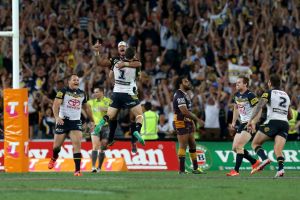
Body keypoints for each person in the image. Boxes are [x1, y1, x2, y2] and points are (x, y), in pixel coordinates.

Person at [92, 43, 145, 146]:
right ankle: (137, 131)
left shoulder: (115, 61)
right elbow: (139, 71)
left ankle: (102, 125)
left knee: (110, 116)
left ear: (126, 49)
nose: (121, 48)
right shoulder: (135, 61)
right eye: (119, 46)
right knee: (139, 115)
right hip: (129, 93)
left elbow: (101, 63)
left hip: (116, 93)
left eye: (123, 46)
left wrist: (96, 52)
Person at [48, 74, 94, 176]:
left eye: (77, 80)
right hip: (63, 121)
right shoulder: (63, 91)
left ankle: (77, 171)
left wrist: (92, 121)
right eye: (74, 80)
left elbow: (87, 108)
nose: (76, 81)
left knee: (77, 146)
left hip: (75, 122)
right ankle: (54, 157)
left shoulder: (82, 94)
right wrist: (57, 118)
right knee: (56, 147)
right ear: (69, 82)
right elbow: (55, 105)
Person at [247, 74, 292, 178]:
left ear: (270, 83)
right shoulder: (286, 95)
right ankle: (281, 169)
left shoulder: (268, 93)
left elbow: (259, 105)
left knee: (255, 143)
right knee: (278, 150)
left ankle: (264, 159)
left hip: (273, 122)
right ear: (280, 84)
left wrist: (251, 120)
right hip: (285, 124)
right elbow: (290, 115)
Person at [226, 76, 260, 176]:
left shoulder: (251, 95)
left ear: (245, 84)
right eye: (236, 82)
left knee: (239, 146)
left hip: (249, 124)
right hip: (242, 123)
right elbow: (236, 109)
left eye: (239, 82)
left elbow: (258, 110)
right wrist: (233, 122)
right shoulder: (236, 95)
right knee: (234, 148)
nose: (237, 84)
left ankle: (235, 171)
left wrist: (253, 122)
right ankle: (254, 162)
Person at [173, 76, 205, 174]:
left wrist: (192, 122)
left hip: (188, 121)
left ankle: (195, 168)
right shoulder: (179, 95)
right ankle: (181, 170)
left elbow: (188, 111)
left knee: (192, 144)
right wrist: (197, 119)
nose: (188, 83)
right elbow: (185, 112)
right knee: (183, 145)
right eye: (185, 81)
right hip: (180, 121)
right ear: (180, 83)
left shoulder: (185, 94)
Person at [87, 86, 112, 172]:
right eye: (94, 92)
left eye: (97, 92)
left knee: (103, 147)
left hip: (105, 126)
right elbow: (83, 107)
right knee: (95, 146)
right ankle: (93, 167)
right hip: (95, 126)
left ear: (102, 92)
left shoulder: (108, 101)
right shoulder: (91, 102)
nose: (95, 94)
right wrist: (90, 122)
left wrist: (105, 109)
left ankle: (99, 167)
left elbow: (114, 111)